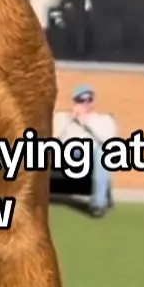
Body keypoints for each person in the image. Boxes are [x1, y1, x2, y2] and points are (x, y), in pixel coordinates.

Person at [54, 84, 118, 218]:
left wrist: (86, 123)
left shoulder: (103, 120)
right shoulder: (63, 117)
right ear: (75, 102)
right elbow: (53, 138)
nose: (85, 103)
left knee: (102, 154)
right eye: (80, 100)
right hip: (68, 154)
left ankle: (98, 205)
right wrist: (70, 120)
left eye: (88, 99)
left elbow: (109, 141)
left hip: (92, 156)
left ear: (93, 102)